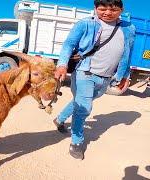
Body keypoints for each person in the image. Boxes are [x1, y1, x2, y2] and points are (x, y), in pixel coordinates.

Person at [54, 0, 135, 160]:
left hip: (107, 78)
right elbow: (69, 44)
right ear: (95, 8)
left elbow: (128, 53)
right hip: (85, 72)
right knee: (84, 108)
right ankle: (76, 142)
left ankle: (59, 119)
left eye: (113, 9)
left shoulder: (129, 28)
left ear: (121, 9)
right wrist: (62, 64)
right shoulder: (85, 24)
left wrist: (125, 75)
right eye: (102, 8)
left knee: (81, 101)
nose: (107, 12)